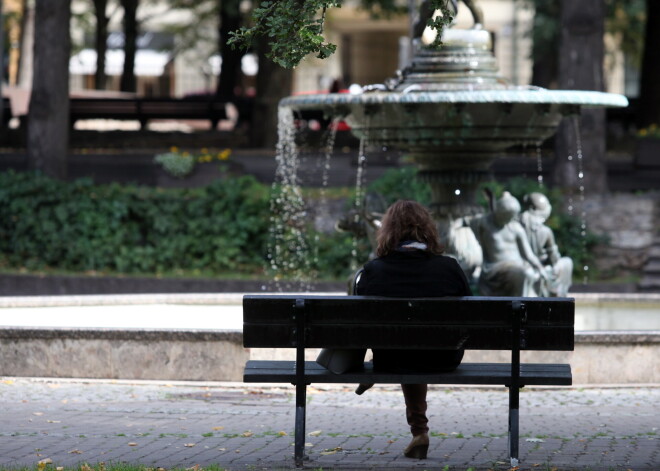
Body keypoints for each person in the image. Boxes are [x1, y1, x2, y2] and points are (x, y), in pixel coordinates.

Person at [354, 200, 472, 459]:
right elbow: (471, 317)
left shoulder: (373, 271)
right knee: (417, 345)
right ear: (427, 229)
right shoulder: (449, 267)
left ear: (388, 231)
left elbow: (357, 326)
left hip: (392, 358)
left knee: (405, 348)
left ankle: (418, 429)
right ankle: (419, 430)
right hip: (443, 357)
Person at [469, 192, 547, 296]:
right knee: (523, 273)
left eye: (510, 216)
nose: (508, 219)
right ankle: (519, 305)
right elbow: (467, 223)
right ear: (499, 212)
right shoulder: (485, 223)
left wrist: (540, 268)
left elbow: (529, 255)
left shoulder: (516, 228)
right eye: (505, 216)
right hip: (495, 269)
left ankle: (523, 304)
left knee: (529, 274)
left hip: (518, 266)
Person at [520, 192, 573, 297]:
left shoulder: (515, 224)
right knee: (567, 263)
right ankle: (557, 297)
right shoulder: (545, 231)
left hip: (521, 267)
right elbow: (554, 259)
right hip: (536, 268)